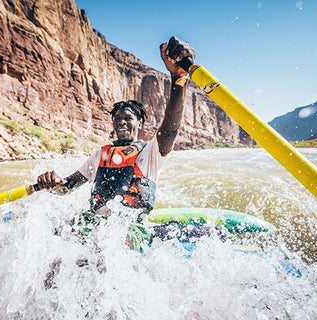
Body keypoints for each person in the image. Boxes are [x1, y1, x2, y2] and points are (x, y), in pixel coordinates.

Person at [36, 36, 197, 251]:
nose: (121, 122)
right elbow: (66, 188)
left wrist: (178, 78)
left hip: (130, 230)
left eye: (128, 118)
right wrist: (54, 182)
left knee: (115, 244)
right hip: (93, 224)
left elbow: (169, 130)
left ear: (139, 123)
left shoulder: (150, 153)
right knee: (61, 237)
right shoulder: (99, 156)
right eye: (117, 119)